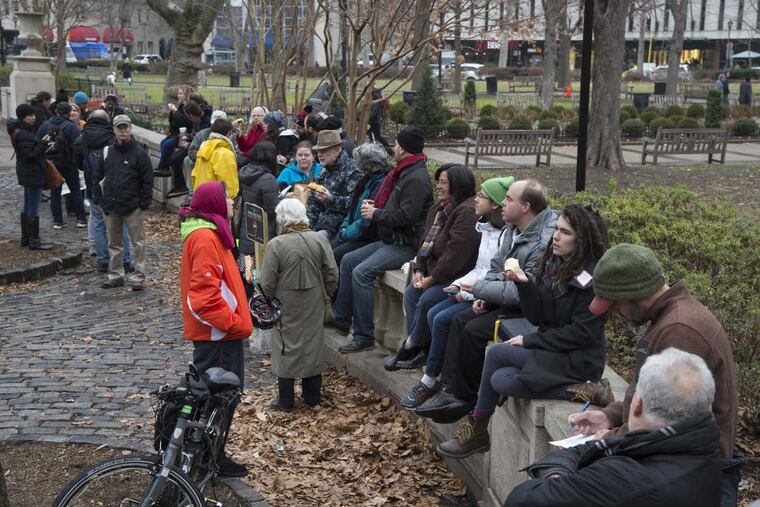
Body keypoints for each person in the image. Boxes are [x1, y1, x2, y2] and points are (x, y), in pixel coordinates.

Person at [567, 243, 740, 506]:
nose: (615, 314)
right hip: (679, 468)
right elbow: (654, 397)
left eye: (614, 305)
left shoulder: (679, 330)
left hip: (693, 478)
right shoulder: (671, 319)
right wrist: (609, 416)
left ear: (634, 294)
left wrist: (611, 439)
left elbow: (670, 418)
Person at [435, 205, 612, 459]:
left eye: (565, 232)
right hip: (554, 350)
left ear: (582, 239)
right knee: (499, 380)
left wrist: (531, 340)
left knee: (497, 355)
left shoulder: (590, 280)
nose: (556, 236)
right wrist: (526, 285)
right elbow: (538, 316)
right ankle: (582, 391)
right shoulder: (556, 264)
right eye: (556, 230)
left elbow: (580, 334)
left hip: (578, 358)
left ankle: (477, 428)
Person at [414, 180, 557, 422]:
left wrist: (481, 289)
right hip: (503, 297)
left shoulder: (542, 241)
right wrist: (485, 296)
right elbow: (496, 266)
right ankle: (452, 389)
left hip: (528, 309)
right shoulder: (514, 227)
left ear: (525, 207)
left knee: (473, 329)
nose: (503, 203)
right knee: (459, 320)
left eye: (509, 199)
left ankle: (465, 397)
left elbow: (523, 291)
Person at [505, 348, 723, 507]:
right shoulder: (704, 452)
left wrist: (557, 480)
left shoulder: (625, 479)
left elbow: (521, 499)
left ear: (637, 404)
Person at [394, 177, 511, 406]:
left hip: (485, 296)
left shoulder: (498, 231)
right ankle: (419, 356)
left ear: (495, 204)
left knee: (441, 315)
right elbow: (480, 268)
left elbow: (489, 271)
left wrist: (465, 290)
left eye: (483, 196)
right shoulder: (485, 226)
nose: (477, 199)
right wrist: (454, 284)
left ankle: (434, 379)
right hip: (472, 287)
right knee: (426, 305)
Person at [333, 127, 433, 353]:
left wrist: (376, 214)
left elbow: (407, 217)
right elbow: (396, 207)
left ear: (404, 149)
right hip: (390, 239)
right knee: (348, 260)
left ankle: (364, 335)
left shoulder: (416, 178)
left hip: (404, 244)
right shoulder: (403, 172)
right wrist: (376, 208)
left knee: (362, 272)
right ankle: (340, 319)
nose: (393, 148)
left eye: (397, 144)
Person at [179, 181, 252, 477]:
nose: (233, 204)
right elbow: (204, 298)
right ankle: (209, 458)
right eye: (229, 199)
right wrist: (234, 324)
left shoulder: (208, 234)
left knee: (218, 398)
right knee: (218, 398)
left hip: (218, 335)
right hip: (219, 336)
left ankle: (209, 454)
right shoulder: (206, 238)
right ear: (216, 204)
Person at [385, 164, 479, 373]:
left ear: (457, 185)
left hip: (457, 276)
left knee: (427, 299)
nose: (438, 186)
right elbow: (425, 242)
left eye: (444, 182)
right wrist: (419, 269)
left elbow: (454, 256)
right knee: (411, 293)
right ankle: (419, 349)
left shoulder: (467, 212)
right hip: (434, 271)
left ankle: (411, 346)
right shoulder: (439, 207)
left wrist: (432, 279)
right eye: (438, 182)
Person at [258, 198, 339, 411]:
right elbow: (332, 274)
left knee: (284, 346)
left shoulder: (276, 244)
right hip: (314, 303)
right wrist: (324, 295)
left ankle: (286, 401)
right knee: (312, 344)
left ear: (282, 219)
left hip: (284, 304)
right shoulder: (319, 240)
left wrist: (268, 305)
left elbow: (266, 283)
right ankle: (312, 397)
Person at [93, 115, 153, 291]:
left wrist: (143, 203)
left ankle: (138, 277)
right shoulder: (107, 153)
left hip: (132, 206)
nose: (123, 131)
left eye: (125, 127)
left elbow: (147, 179)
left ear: (130, 129)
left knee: (138, 242)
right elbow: (97, 176)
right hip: (111, 205)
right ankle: (116, 275)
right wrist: (98, 199)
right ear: (114, 130)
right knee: (114, 243)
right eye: (120, 128)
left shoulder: (140, 153)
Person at [75, 109, 133, 273]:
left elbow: (78, 163)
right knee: (120, 226)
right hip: (113, 187)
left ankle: (102, 260)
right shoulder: (111, 138)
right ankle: (126, 260)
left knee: (99, 224)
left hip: (92, 186)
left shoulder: (82, 139)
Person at [330, 142, 390, 265]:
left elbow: (366, 221)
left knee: (335, 255)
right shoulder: (366, 180)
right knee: (327, 250)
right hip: (354, 230)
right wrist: (344, 228)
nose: (355, 163)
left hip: (367, 236)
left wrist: (346, 233)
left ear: (367, 165)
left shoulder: (380, 183)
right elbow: (353, 210)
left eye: (358, 161)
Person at [37, 101, 86, 229]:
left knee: (55, 191)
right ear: (69, 113)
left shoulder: (45, 125)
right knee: (75, 190)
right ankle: (81, 218)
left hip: (51, 163)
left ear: (56, 111)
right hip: (69, 162)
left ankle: (57, 221)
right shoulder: (71, 127)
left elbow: (38, 141)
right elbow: (78, 145)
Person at [9, 104, 52, 250]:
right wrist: (43, 143)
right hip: (32, 173)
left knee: (28, 205)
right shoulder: (23, 134)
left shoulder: (21, 131)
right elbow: (30, 155)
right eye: (30, 115)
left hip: (27, 172)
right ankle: (34, 240)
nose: (34, 117)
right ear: (23, 117)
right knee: (33, 207)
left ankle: (26, 238)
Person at [306, 130, 362, 241]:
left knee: (314, 241)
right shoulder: (324, 169)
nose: (319, 155)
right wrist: (306, 225)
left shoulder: (353, 171)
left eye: (324, 150)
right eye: (318, 151)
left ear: (337, 150)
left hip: (338, 227)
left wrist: (331, 199)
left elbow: (354, 205)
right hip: (320, 222)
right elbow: (313, 202)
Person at [237, 141, 280, 259]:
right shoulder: (268, 179)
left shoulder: (245, 172)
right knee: (259, 272)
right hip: (263, 234)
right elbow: (272, 210)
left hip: (246, 231)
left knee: (246, 272)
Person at [190, 118, 239, 200]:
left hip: (200, 196)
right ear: (229, 133)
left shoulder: (203, 148)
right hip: (216, 201)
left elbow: (194, 174)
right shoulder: (225, 153)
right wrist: (230, 199)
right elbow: (229, 184)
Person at [166, 101, 206, 197]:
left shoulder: (205, 122)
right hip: (192, 145)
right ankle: (180, 186)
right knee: (172, 158)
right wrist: (188, 136)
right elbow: (195, 135)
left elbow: (203, 142)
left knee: (179, 159)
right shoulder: (196, 121)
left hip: (198, 149)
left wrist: (188, 144)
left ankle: (182, 187)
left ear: (191, 116)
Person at [156, 85, 193, 175]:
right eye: (178, 93)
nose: (178, 96)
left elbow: (184, 122)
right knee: (163, 142)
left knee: (167, 144)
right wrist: (170, 129)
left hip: (184, 135)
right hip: (175, 134)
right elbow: (174, 122)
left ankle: (163, 167)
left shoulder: (188, 107)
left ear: (186, 95)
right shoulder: (181, 106)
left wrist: (175, 111)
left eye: (180, 93)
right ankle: (164, 167)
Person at [367, 88, 391, 154]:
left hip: (374, 122)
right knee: (370, 134)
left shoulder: (375, 100)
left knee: (378, 137)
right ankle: (372, 146)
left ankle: (389, 149)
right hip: (373, 121)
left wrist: (367, 119)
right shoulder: (377, 98)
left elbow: (374, 112)